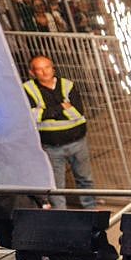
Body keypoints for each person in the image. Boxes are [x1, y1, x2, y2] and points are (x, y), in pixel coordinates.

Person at [23, 55, 96, 209]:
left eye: (47, 67)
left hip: (77, 141)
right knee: (57, 185)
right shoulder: (27, 89)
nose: (44, 72)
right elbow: (32, 116)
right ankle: (62, 215)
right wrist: (62, 107)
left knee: (85, 179)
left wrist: (46, 112)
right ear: (32, 72)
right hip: (52, 146)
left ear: (53, 68)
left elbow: (78, 112)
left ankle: (90, 209)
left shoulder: (68, 85)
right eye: (39, 69)